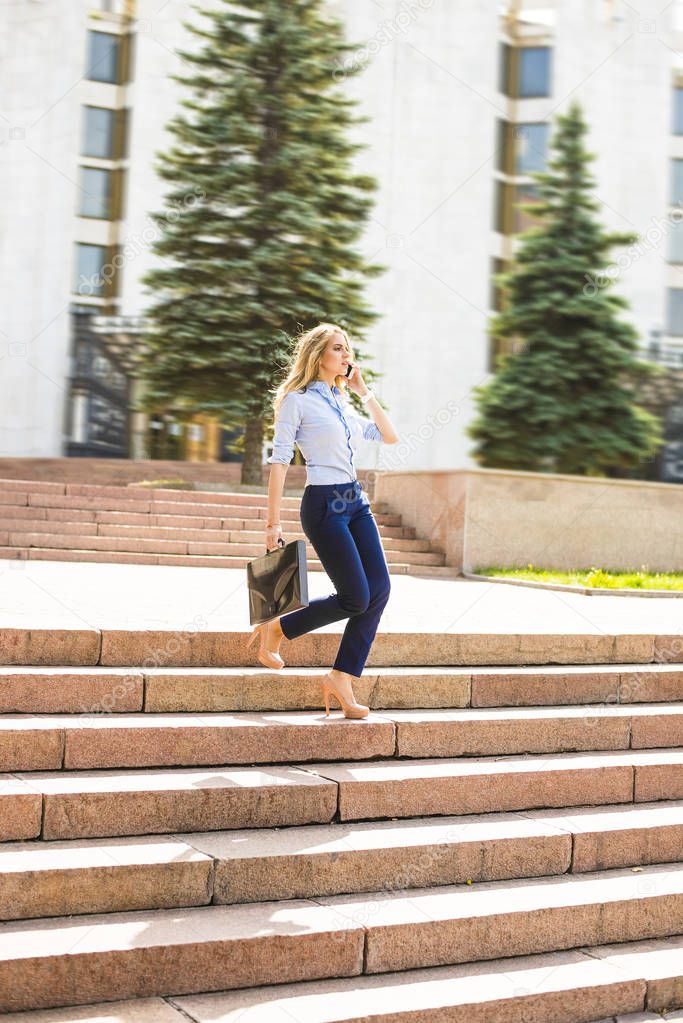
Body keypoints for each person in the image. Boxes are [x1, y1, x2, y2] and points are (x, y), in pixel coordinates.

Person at [246, 322, 399, 719]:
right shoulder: (297, 400)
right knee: (355, 597)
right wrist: (271, 524)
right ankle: (277, 629)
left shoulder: (341, 400)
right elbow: (280, 462)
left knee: (379, 589)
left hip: (354, 500)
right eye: (338, 349)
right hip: (323, 504)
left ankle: (342, 676)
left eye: (348, 349)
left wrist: (364, 393)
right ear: (318, 355)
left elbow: (389, 436)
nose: (346, 356)